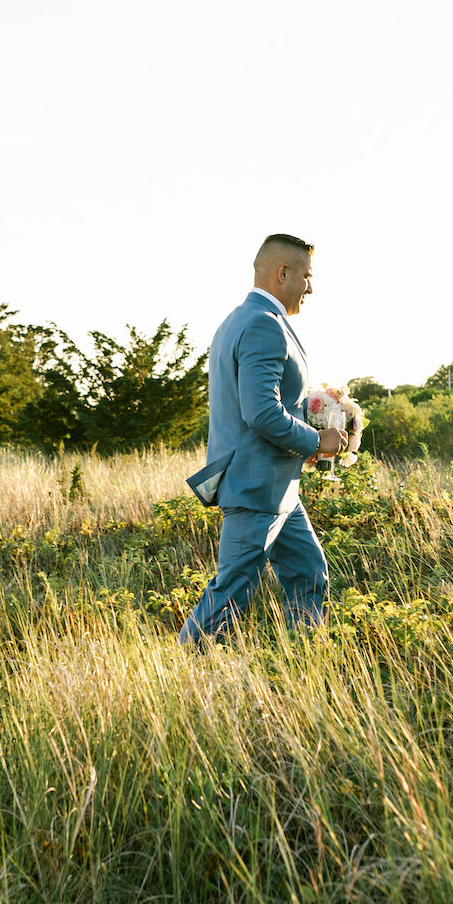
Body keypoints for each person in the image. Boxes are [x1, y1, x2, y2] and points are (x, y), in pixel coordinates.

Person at [179, 234, 347, 644]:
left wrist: (316, 408)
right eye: (306, 277)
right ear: (282, 273)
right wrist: (316, 441)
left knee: (308, 570)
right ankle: (183, 672)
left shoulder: (242, 319)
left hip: (277, 487)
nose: (311, 287)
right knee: (231, 591)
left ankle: (306, 658)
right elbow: (261, 413)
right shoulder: (262, 325)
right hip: (256, 487)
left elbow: (268, 403)